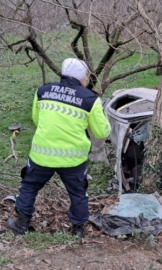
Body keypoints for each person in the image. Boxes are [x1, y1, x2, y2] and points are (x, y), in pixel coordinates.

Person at [7, 58, 111, 239]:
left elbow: (36, 119)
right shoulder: (90, 99)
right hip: (73, 160)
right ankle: (77, 230)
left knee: (29, 187)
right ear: (82, 78)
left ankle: (21, 225)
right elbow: (102, 132)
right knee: (78, 193)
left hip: (41, 155)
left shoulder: (42, 91)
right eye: (86, 75)